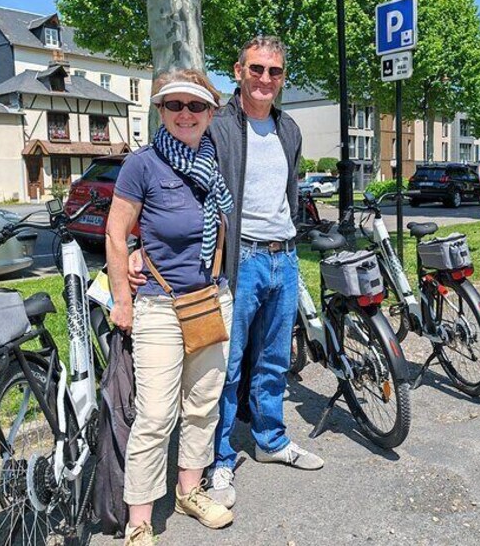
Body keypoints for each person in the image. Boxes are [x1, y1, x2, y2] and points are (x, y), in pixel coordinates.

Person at [129, 36, 324, 510]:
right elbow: (168, 184)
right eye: (256, 69)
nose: (265, 79)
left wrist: (293, 235)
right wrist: (137, 243)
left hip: (284, 255)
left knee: (275, 359)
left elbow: (288, 192)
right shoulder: (217, 125)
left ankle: (271, 440)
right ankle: (218, 458)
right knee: (227, 367)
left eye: (274, 72)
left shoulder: (289, 128)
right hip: (238, 259)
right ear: (238, 71)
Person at [106, 69, 235, 546]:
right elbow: (116, 234)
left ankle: (189, 490)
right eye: (174, 105)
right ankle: (139, 517)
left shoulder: (215, 160)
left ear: (210, 114)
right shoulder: (143, 164)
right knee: (156, 414)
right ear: (159, 110)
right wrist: (123, 297)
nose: (185, 114)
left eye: (195, 106)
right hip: (160, 305)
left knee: (202, 405)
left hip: (211, 299)